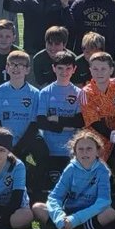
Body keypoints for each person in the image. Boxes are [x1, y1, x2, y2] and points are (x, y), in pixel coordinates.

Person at [31, 130, 115, 229]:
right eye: (80, 149)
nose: (85, 152)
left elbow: (104, 201)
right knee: (38, 207)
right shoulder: (71, 168)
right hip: (68, 213)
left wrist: (75, 219)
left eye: (89, 149)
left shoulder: (103, 171)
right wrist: (60, 218)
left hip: (89, 215)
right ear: (75, 152)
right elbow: (54, 197)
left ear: (98, 151)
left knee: (110, 213)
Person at [0, 50, 42, 187]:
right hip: (5, 141)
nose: (16, 68)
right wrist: (7, 144)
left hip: (27, 140)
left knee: (43, 153)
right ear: (7, 68)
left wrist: (19, 147)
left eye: (20, 65)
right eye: (12, 64)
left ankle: (36, 188)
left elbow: (34, 124)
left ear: (27, 70)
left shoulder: (35, 94)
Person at [35, 51, 86, 190]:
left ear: (74, 69)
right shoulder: (45, 92)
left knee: (70, 189)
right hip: (49, 150)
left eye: (68, 68)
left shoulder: (79, 93)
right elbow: (41, 122)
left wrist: (56, 119)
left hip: (70, 151)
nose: (64, 72)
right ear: (53, 68)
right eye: (60, 68)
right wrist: (67, 125)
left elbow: (79, 122)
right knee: (50, 189)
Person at [79, 52, 115, 164]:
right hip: (96, 141)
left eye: (103, 69)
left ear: (111, 70)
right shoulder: (85, 92)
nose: (99, 72)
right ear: (90, 70)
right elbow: (95, 123)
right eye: (95, 69)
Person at [4, 0, 69, 55]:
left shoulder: (59, 2)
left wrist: (66, 7)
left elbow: (69, 26)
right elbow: (8, 5)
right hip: (31, 52)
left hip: (54, 52)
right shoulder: (29, 1)